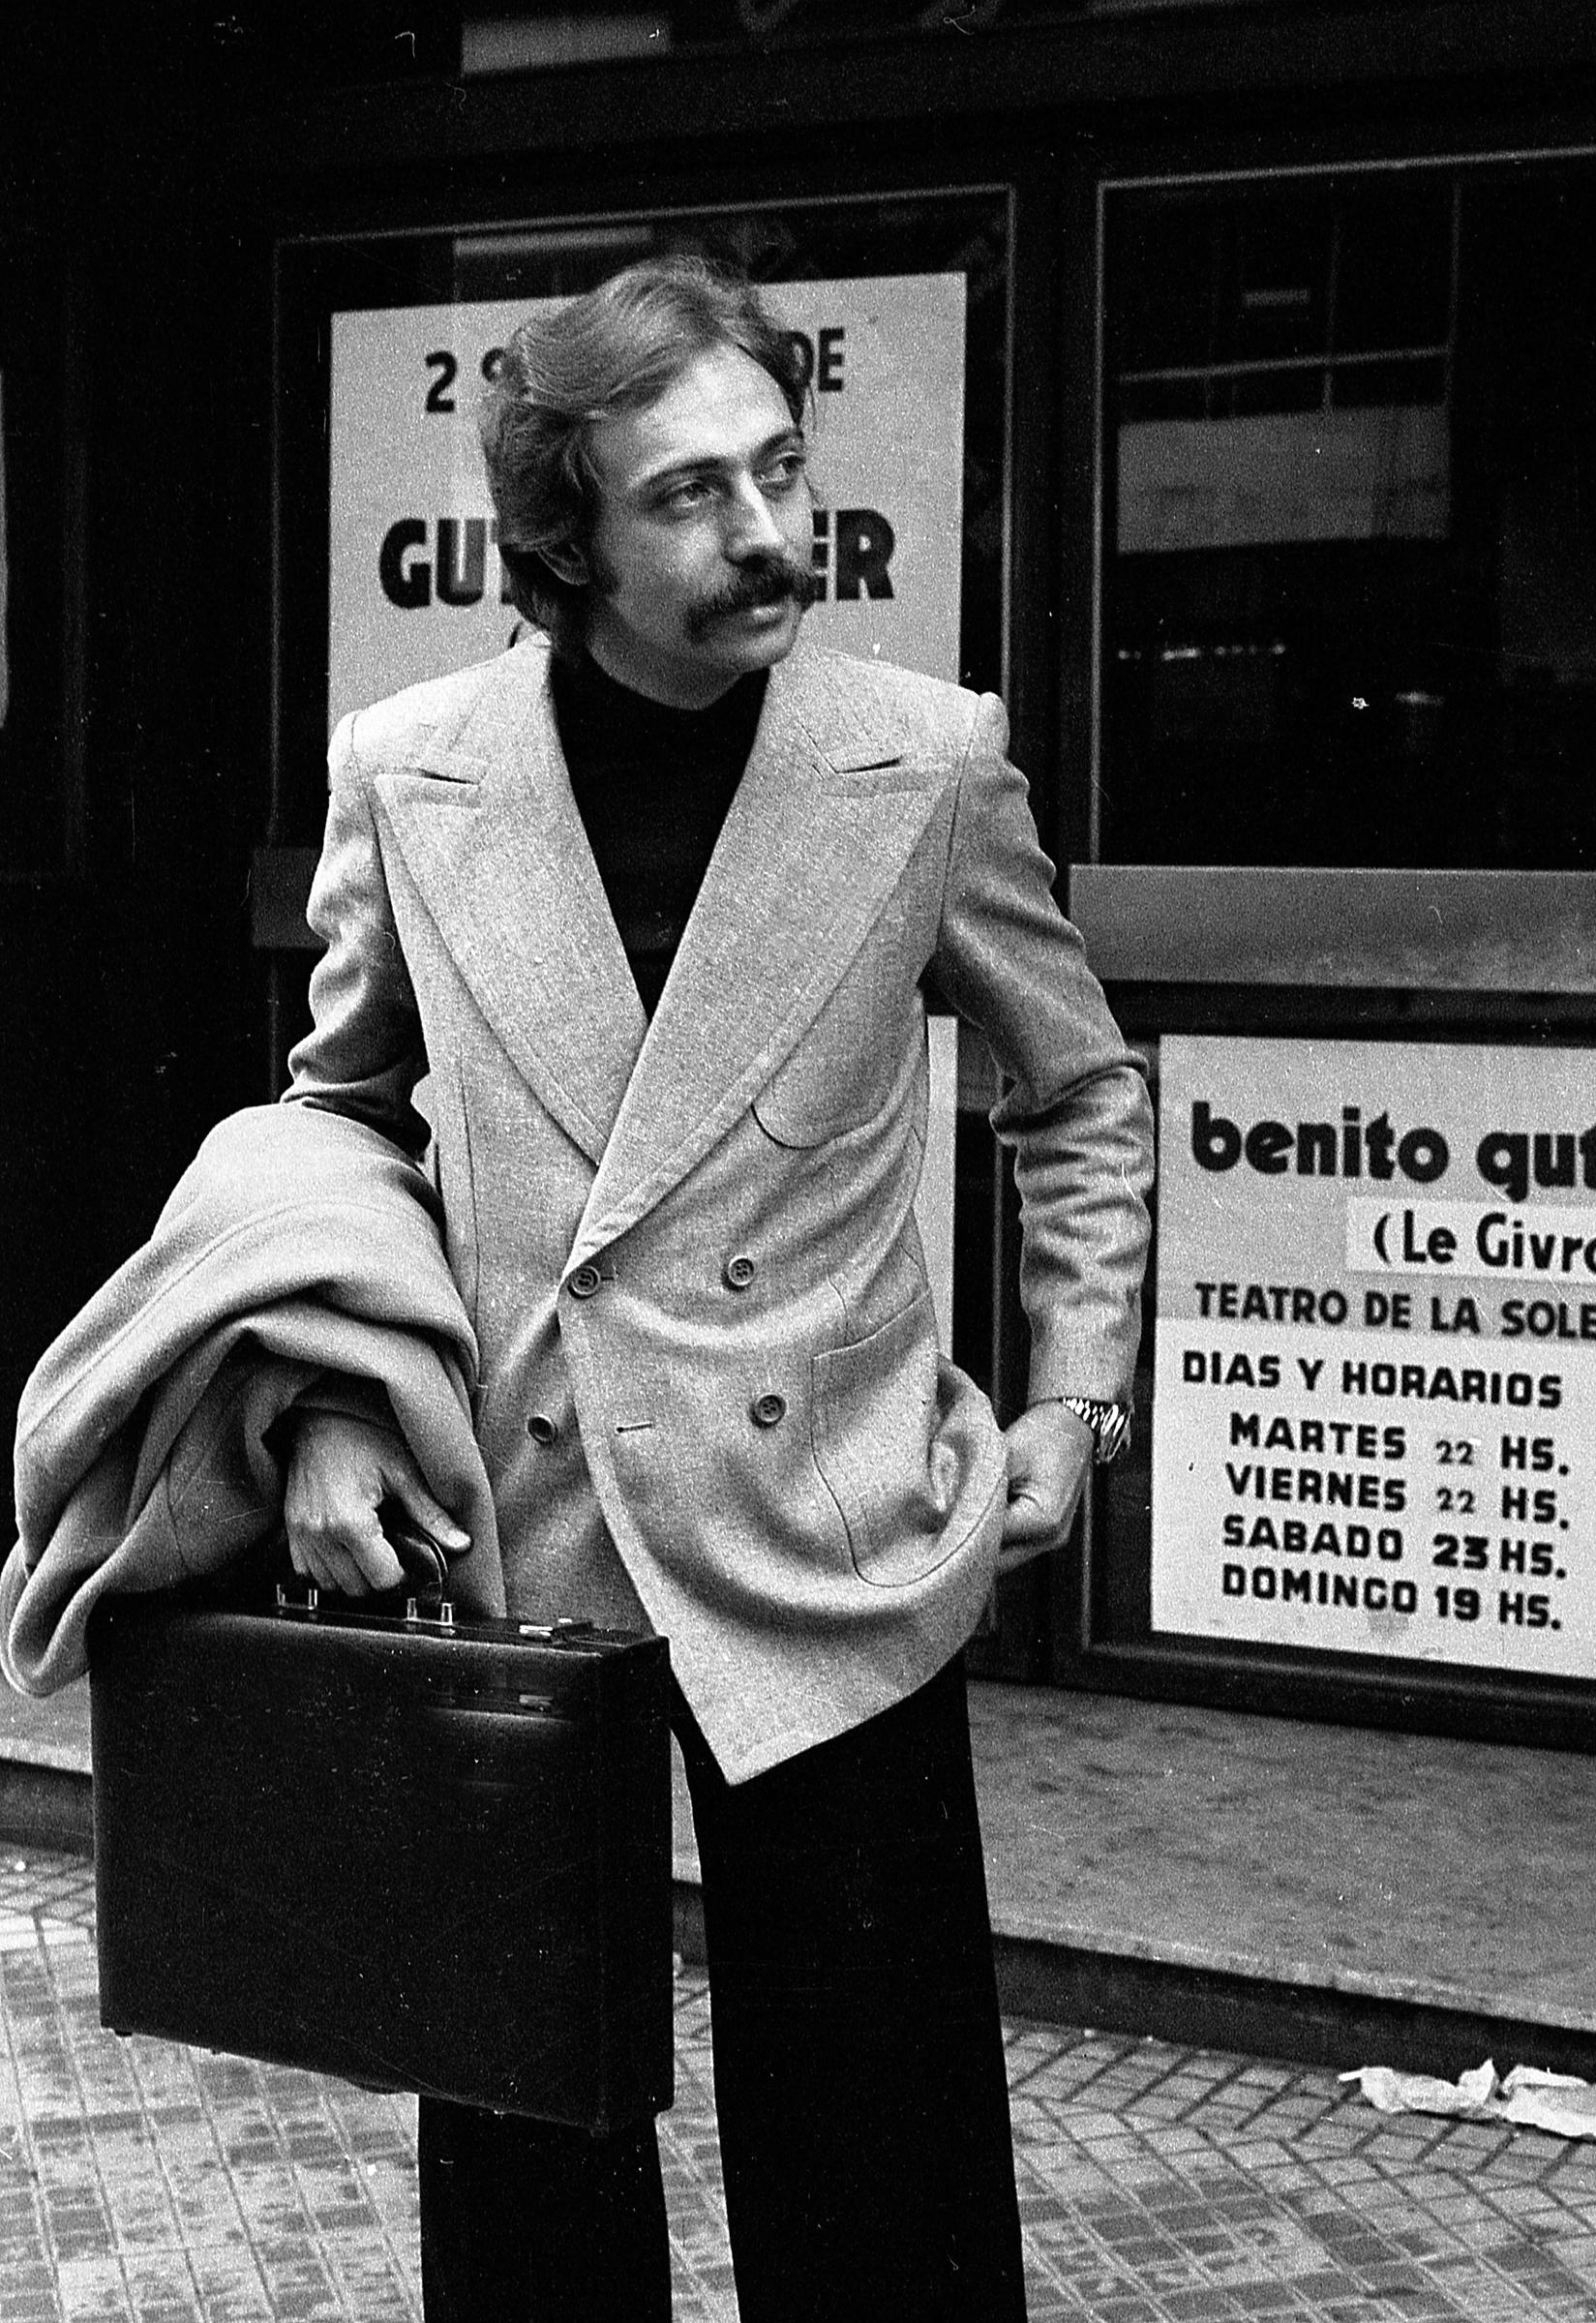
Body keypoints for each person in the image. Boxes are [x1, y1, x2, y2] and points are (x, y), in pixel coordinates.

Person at [280, 254, 1154, 2322]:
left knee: (881, 2166)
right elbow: (338, 1127)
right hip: (523, 1526)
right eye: (687, 495)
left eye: (776, 471)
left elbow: (1081, 1092)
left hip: (831, 1532)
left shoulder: (923, 760)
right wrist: (322, 1407)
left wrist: (1070, 1397)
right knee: (526, 2146)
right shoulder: (408, 768)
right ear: (562, 534)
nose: (765, 534)